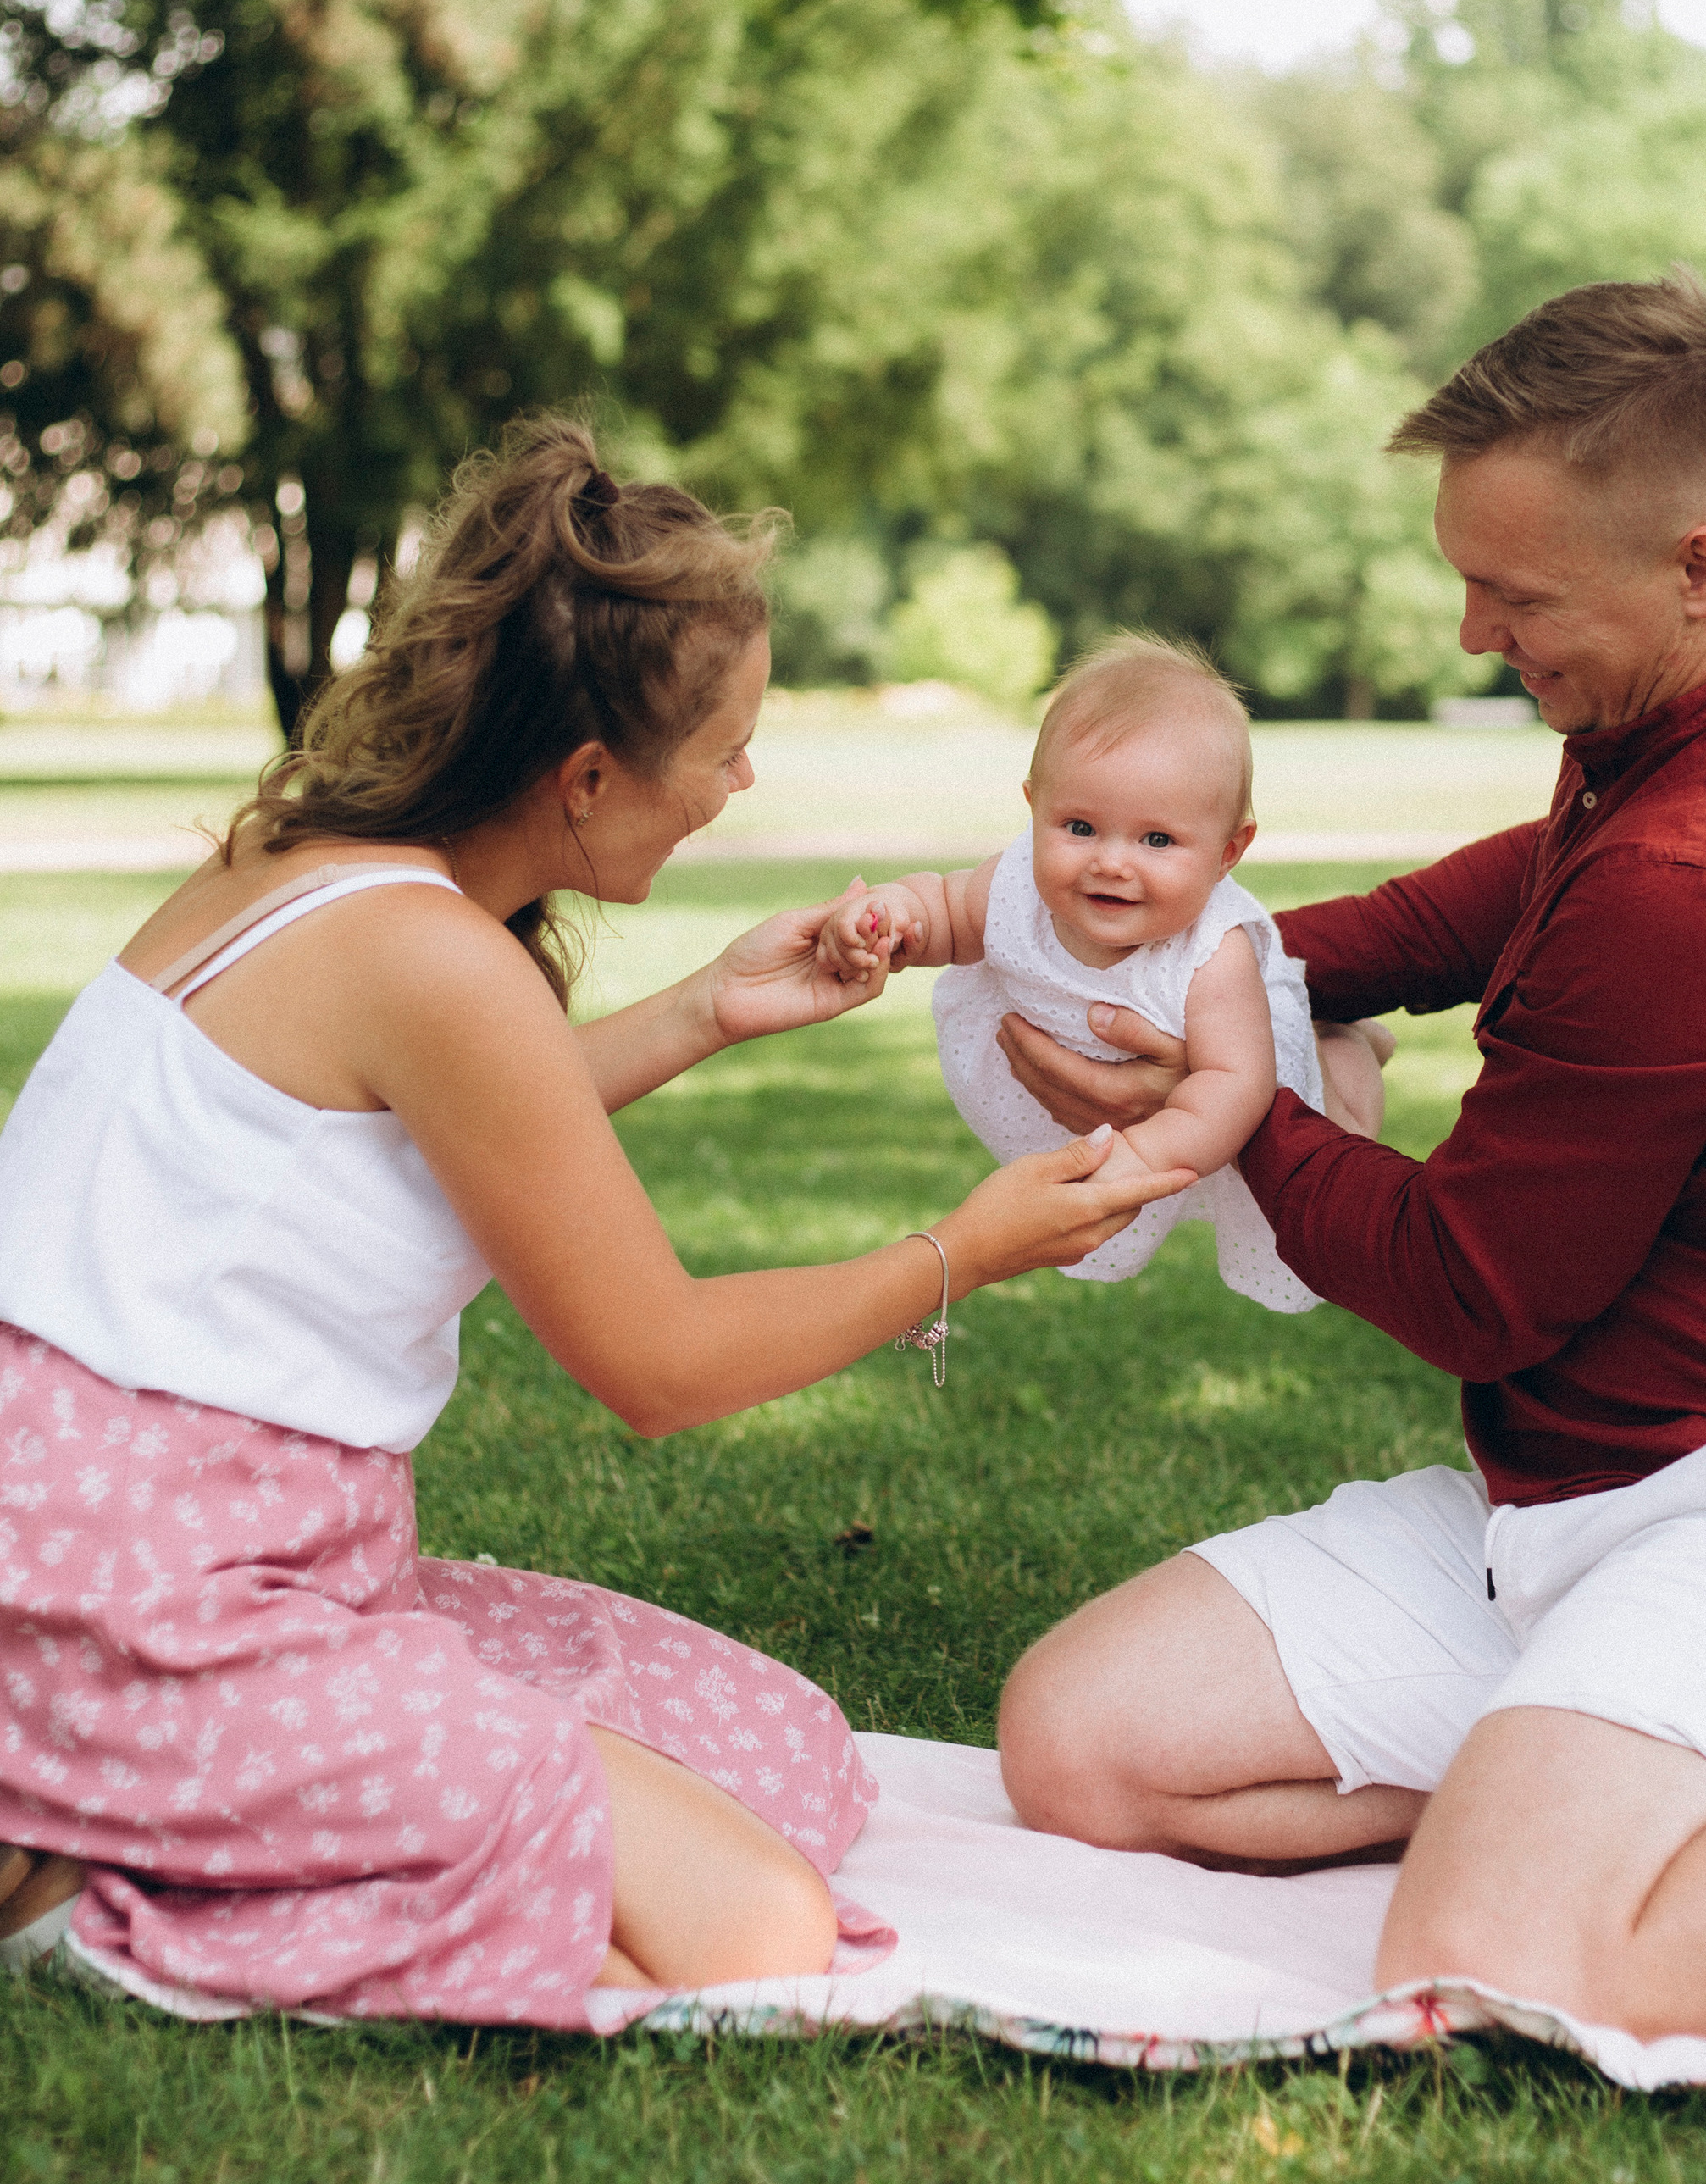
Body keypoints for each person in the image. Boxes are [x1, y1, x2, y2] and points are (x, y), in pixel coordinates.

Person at [992, 272, 1706, 2045]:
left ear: (1698, 565)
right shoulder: (1660, 732)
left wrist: (1230, 1110)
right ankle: (1594, 1783)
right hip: (1575, 1508)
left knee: (1505, 1975)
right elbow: (1450, 910)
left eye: (1514, 592)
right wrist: (1160, 964)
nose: (1472, 632)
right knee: (1077, 1746)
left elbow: (1476, 1288)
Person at [0, 426, 1187, 2022]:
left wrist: (708, 1009)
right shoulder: (432, 961)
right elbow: (658, 1365)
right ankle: (84, 1879)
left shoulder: (312, 872)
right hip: (131, 1606)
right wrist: (958, 1250)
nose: (741, 781)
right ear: (586, 780)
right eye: (727, 746)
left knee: (782, 1749)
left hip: (199, 1555)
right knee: (754, 1928)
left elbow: (427, 1132)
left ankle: (146, 1820)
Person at [816, 635, 1383, 1316]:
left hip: (1241, 1074)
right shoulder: (1014, 884)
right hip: (1098, 1079)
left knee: (1339, 1122)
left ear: (1230, 851)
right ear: (1034, 809)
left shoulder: (1214, 955)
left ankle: (1353, 1046)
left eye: (1157, 840)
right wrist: (891, 917)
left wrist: (1142, 1159)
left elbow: (1235, 1084)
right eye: (1080, 826)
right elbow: (943, 909)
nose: (1112, 863)